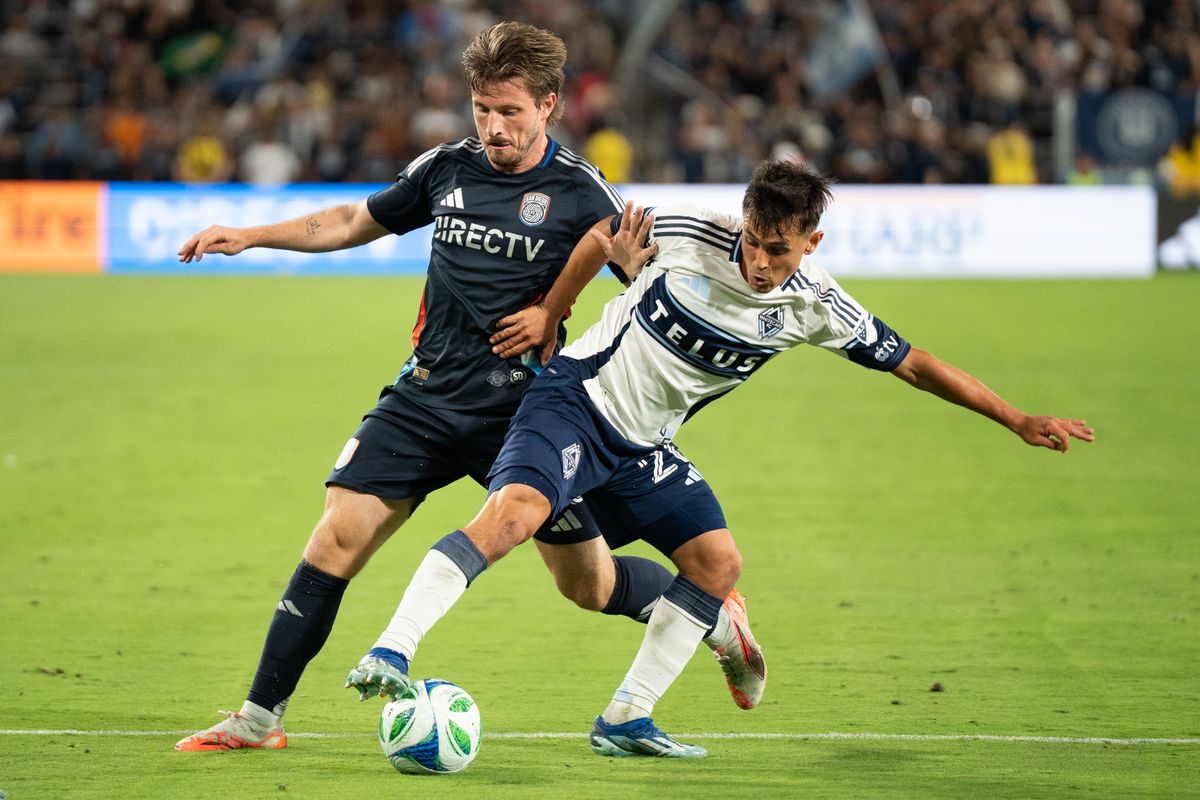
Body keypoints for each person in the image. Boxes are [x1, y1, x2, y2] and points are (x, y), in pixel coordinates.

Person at [347, 160, 1095, 758]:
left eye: (780, 249)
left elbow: (914, 362)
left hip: (646, 445)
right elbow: (601, 237)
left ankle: (627, 719)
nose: (761, 262)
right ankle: (393, 650)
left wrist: (1016, 417)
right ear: (742, 219)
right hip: (574, 401)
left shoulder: (817, 305)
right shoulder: (682, 232)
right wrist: (552, 309)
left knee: (716, 564)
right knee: (512, 517)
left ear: (812, 245)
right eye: (754, 239)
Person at [173, 22, 765, 752]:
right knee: (334, 539)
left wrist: (569, 320)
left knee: (588, 586)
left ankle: (713, 614)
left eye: (510, 111)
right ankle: (259, 719)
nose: (493, 126)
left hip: (526, 419)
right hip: (424, 398)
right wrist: (253, 234)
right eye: (482, 108)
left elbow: (643, 289)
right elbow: (357, 219)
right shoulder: (447, 168)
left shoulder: (581, 192)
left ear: (548, 105)